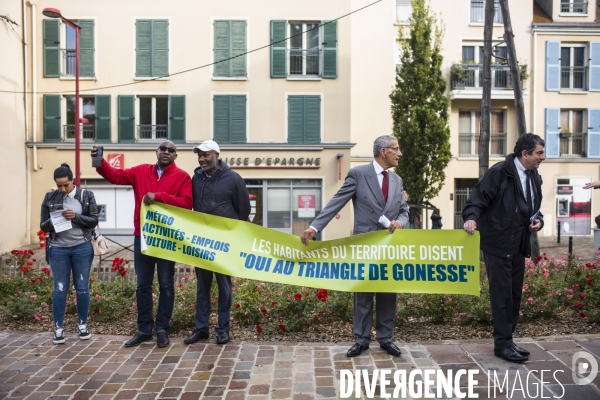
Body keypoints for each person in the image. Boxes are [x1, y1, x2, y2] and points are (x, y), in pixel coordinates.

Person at [300, 135, 409, 357]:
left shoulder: (397, 181)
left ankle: (386, 339)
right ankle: (361, 340)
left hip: (389, 246)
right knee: (363, 293)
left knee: (389, 292)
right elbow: (336, 201)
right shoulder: (359, 174)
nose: (399, 154)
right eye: (396, 149)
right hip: (364, 245)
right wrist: (315, 227)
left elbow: (404, 211)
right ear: (383, 151)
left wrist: (401, 222)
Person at [91, 141, 192, 348]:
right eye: (162, 149)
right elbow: (115, 176)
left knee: (166, 285)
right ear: (156, 152)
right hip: (143, 236)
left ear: (175, 155)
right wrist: (99, 161)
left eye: (170, 150)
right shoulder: (140, 172)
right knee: (142, 285)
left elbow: (187, 203)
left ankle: (162, 329)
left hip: (167, 239)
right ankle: (144, 329)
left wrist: (159, 197)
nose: (166, 152)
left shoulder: (182, 177)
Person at [462, 133, 545, 364]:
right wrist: (470, 218)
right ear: (525, 153)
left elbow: (533, 209)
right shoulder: (500, 172)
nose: (543, 157)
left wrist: (539, 221)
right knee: (501, 296)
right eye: (539, 153)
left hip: (518, 244)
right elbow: (476, 199)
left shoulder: (534, 176)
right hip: (498, 244)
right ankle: (501, 345)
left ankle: (508, 340)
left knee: (514, 295)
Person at [184, 140, 251, 345]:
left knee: (224, 287)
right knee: (202, 288)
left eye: (205, 155)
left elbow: (244, 211)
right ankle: (201, 329)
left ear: (217, 154)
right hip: (202, 243)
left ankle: (223, 329)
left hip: (225, 245)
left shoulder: (233, 179)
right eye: (199, 155)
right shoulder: (196, 179)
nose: (201, 159)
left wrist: (235, 239)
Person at [40, 163, 98, 344]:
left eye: (66, 184)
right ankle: (58, 328)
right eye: (59, 185)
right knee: (59, 288)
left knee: (82, 287)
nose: (63, 189)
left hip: (82, 247)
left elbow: (94, 220)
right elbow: (42, 226)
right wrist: (54, 218)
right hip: (58, 248)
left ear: (73, 180)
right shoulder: (50, 198)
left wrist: (76, 217)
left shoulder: (86, 195)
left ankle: (82, 325)